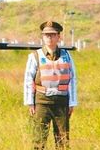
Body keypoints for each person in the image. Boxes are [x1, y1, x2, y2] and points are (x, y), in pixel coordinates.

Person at [24, 21, 77, 150]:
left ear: (59, 37)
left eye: (52, 35)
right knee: (39, 138)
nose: (49, 37)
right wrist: (30, 102)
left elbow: (73, 79)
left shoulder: (67, 56)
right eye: (46, 35)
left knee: (63, 139)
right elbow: (28, 80)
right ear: (42, 37)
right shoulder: (35, 56)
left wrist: (72, 102)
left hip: (61, 102)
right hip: (42, 102)